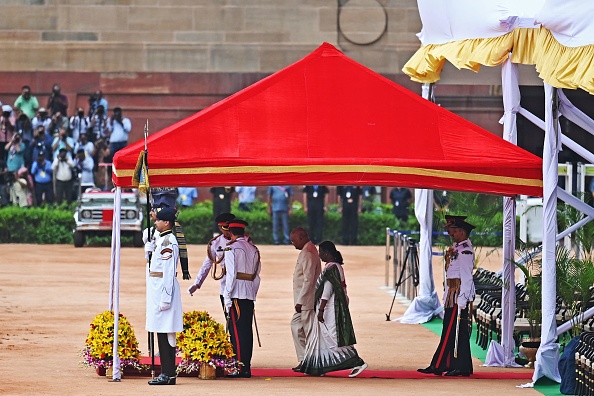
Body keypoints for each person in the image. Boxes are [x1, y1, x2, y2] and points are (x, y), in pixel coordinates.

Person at [418, 216, 476, 377]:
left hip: (458, 295)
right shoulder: (457, 248)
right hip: (453, 294)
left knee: (454, 330)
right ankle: (454, 365)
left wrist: (463, 298)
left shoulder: (465, 250)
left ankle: (445, 365)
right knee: (454, 331)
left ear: (463, 232)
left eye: (454, 230)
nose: (451, 233)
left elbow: (466, 277)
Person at [299, 241, 367, 377]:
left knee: (333, 337)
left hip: (331, 309)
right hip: (330, 307)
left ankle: (357, 362)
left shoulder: (332, 268)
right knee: (325, 336)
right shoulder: (333, 266)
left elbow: (327, 290)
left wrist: (321, 309)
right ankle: (321, 366)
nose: (319, 255)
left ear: (327, 253)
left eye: (320, 252)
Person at [145, 207, 183, 386]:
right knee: (162, 330)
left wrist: (166, 298)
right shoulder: (162, 239)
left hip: (163, 290)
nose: (155, 222)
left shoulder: (168, 241)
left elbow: (168, 272)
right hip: (157, 288)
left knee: (166, 332)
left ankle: (167, 373)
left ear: (166, 222)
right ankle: (167, 373)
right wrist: (149, 251)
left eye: (158, 220)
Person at [223, 219, 261, 378]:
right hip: (249, 294)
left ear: (231, 233)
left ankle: (238, 367)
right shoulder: (254, 249)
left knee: (236, 332)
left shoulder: (231, 248)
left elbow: (231, 275)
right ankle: (246, 367)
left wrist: (227, 296)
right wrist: (253, 293)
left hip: (236, 294)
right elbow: (257, 276)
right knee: (247, 331)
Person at [188, 212, 236, 315]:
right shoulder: (216, 243)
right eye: (225, 228)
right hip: (225, 284)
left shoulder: (243, 240)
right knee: (230, 321)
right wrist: (197, 283)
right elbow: (207, 264)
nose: (228, 231)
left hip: (240, 284)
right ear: (220, 228)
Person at [289, 227, 322, 372]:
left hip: (306, 300)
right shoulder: (307, 249)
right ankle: (304, 359)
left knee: (309, 331)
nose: (292, 243)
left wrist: (300, 301)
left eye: (294, 240)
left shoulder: (308, 253)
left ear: (302, 238)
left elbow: (308, 280)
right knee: (296, 326)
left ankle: (313, 362)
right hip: (302, 300)